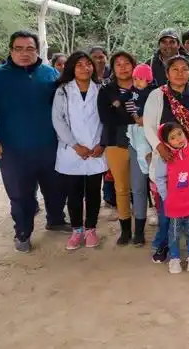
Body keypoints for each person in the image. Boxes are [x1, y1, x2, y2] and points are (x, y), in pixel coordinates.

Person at [0, 30, 68, 253]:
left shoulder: (50, 74)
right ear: (10, 50)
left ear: (38, 51)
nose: (24, 53)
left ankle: (56, 219)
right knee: (20, 194)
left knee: (56, 187)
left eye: (30, 48)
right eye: (19, 48)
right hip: (14, 149)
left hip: (49, 145)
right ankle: (23, 232)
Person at [143, 55, 189, 262]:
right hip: (166, 158)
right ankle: (163, 244)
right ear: (167, 73)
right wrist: (159, 147)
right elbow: (148, 125)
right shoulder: (157, 96)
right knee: (166, 203)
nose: (180, 73)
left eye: (184, 69)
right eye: (175, 69)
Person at [51, 51, 106, 250]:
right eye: (79, 65)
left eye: (88, 64)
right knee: (73, 193)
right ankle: (77, 231)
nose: (85, 68)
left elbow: (106, 119)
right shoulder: (63, 91)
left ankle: (91, 229)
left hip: (96, 149)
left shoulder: (101, 88)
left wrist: (102, 143)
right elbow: (58, 120)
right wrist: (75, 145)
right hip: (71, 150)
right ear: (71, 68)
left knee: (93, 192)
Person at [97, 51, 149, 246]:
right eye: (118, 64)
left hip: (142, 143)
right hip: (115, 141)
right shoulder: (106, 90)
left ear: (134, 65)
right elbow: (105, 117)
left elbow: (153, 113)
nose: (123, 67)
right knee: (121, 188)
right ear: (113, 67)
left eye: (127, 63)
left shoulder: (147, 87)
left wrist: (124, 113)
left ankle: (140, 231)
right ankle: (125, 230)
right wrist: (134, 119)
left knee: (139, 187)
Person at [153, 122, 189, 274]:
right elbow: (159, 178)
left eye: (180, 134)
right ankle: (175, 258)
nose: (178, 139)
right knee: (174, 232)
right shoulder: (165, 157)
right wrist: (167, 197)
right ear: (166, 142)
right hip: (174, 204)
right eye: (173, 137)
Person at [126, 63, 156, 177]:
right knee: (139, 146)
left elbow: (155, 108)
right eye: (135, 79)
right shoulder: (131, 91)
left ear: (148, 80)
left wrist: (146, 118)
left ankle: (149, 170)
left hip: (148, 125)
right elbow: (127, 103)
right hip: (135, 123)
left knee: (144, 147)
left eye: (141, 79)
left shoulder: (152, 92)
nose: (137, 81)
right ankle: (147, 169)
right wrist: (134, 115)